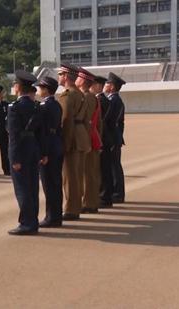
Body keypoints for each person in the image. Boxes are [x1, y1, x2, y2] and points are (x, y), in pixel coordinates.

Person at [6, 70, 48, 236]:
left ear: (17, 87)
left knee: (22, 188)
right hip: (34, 149)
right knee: (32, 187)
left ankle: (27, 223)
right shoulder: (36, 106)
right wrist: (43, 153)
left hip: (21, 150)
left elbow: (14, 135)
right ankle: (34, 221)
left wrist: (15, 158)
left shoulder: (14, 108)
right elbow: (41, 133)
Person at [57, 63, 89, 221]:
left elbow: (66, 120)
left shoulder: (68, 95)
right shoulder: (80, 94)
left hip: (73, 138)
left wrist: (65, 143)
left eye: (60, 74)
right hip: (81, 136)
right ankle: (75, 206)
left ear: (65, 76)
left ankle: (71, 209)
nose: (58, 77)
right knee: (77, 175)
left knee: (70, 177)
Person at [34, 77, 64, 228]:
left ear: (46, 89)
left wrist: (43, 152)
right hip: (57, 145)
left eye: (40, 87)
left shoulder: (43, 106)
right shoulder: (57, 105)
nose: (38, 89)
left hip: (48, 147)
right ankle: (56, 215)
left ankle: (51, 217)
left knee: (49, 183)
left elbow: (43, 132)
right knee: (56, 183)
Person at [76, 67, 102, 214]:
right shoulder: (92, 97)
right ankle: (91, 202)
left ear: (83, 81)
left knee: (87, 173)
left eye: (78, 77)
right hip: (92, 137)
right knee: (90, 172)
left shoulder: (87, 97)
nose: (76, 80)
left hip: (87, 138)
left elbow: (88, 122)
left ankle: (89, 202)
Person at [105, 72, 127, 204]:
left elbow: (109, 121)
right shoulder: (116, 100)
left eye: (107, 83)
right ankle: (117, 192)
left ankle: (117, 193)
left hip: (112, 137)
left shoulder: (114, 101)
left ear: (112, 87)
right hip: (116, 136)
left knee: (114, 166)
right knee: (115, 166)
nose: (105, 85)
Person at [95, 75, 116, 208]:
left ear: (98, 86)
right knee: (105, 169)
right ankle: (106, 196)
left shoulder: (101, 100)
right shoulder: (105, 100)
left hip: (102, 137)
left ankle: (104, 197)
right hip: (106, 137)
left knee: (103, 169)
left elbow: (101, 122)